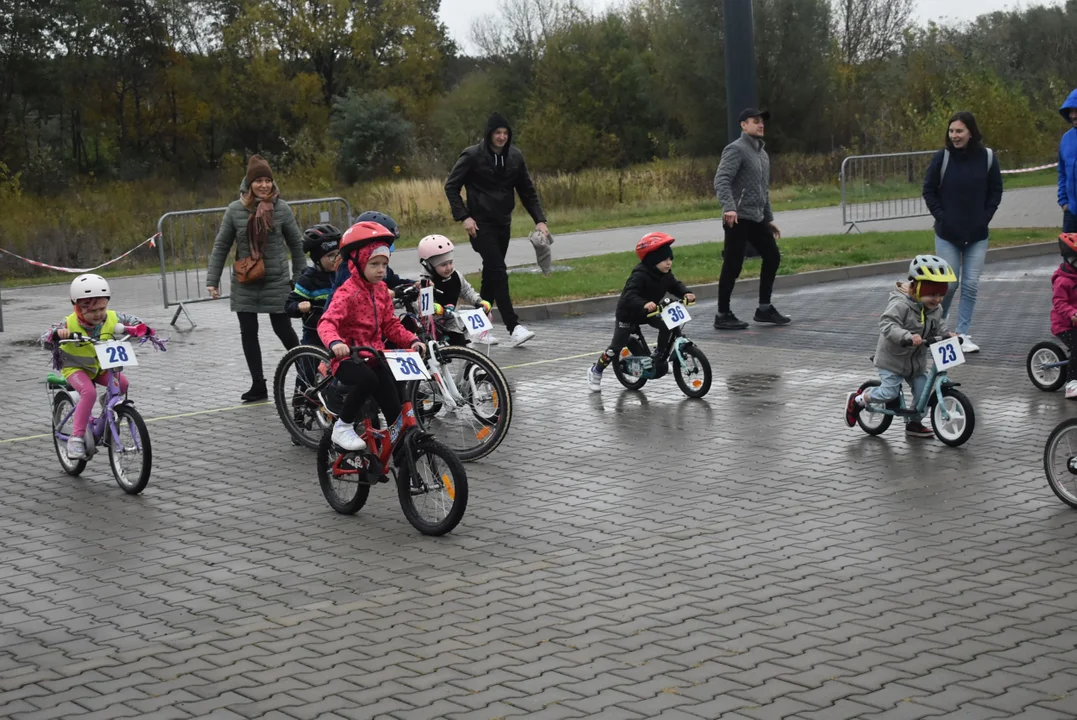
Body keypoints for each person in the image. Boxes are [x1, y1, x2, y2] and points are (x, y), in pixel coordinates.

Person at [318, 221, 425, 452]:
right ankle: (342, 426)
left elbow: (390, 325)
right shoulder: (346, 293)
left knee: (396, 409)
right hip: (348, 358)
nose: (380, 270)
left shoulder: (381, 292)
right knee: (368, 380)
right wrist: (336, 343)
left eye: (384, 265)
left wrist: (412, 340)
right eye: (374, 264)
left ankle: (401, 457)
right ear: (357, 264)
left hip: (374, 356)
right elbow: (327, 322)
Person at [444, 112, 548, 347]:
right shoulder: (472, 156)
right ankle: (514, 326)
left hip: (503, 223)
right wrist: (465, 217)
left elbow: (527, 191)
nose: (501, 137)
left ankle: (479, 330)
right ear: (489, 134)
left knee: (492, 274)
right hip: (480, 225)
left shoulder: (515, 156)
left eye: (505, 133)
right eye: (497, 133)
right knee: (499, 270)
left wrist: (540, 220)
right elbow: (451, 186)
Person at [206, 154, 304, 402]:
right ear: (249, 183)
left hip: (276, 280)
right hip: (246, 280)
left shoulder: (281, 208)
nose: (264, 185)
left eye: (267, 180)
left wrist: (300, 279)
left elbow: (297, 245)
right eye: (258, 180)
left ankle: (308, 371)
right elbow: (221, 246)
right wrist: (212, 279)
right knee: (248, 332)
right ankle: (258, 385)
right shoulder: (235, 210)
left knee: (284, 329)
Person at [40, 274, 155, 459]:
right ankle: (76, 438)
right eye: (93, 310)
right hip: (75, 368)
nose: (99, 314)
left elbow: (133, 320)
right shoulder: (68, 323)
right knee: (89, 393)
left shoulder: (112, 317)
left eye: (102, 308)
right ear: (79, 308)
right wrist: (56, 334)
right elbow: (45, 337)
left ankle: (107, 404)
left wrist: (143, 329)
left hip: (101, 366)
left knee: (122, 385)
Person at [844, 255, 957, 439]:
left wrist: (947, 334)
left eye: (940, 294)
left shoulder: (935, 309)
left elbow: (939, 325)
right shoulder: (900, 305)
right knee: (889, 392)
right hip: (892, 360)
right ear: (915, 288)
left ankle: (914, 423)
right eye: (931, 293)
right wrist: (907, 336)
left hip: (915, 363)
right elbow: (887, 325)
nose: (936, 299)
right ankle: (858, 400)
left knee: (924, 394)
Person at [922, 111, 1003, 354]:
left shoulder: (987, 158)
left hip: (977, 234)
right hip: (948, 234)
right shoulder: (942, 158)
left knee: (970, 285)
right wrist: (943, 218)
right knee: (950, 283)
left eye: (959, 131)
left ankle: (963, 333)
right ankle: (938, 328)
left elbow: (996, 192)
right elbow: (928, 190)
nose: (954, 136)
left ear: (971, 132)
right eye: (951, 131)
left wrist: (984, 217)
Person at [587, 232, 696, 392]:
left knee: (667, 324)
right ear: (653, 260)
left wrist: (686, 293)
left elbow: (675, 285)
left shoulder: (665, 274)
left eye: (670, 259)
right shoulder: (640, 275)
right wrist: (644, 303)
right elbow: (629, 295)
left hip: (647, 312)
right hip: (629, 314)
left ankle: (660, 356)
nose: (669, 262)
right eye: (665, 259)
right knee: (615, 348)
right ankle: (595, 371)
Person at [712, 108, 788, 330]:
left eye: (762, 121)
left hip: (756, 218)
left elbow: (763, 190)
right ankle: (722, 314)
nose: (761, 124)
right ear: (743, 125)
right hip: (736, 218)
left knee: (772, 256)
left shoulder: (762, 154)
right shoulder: (736, 149)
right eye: (756, 121)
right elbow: (721, 179)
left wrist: (768, 218)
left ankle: (764, 309)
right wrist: (729, 207)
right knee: (733, 264)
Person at [325, 210, 414, 309]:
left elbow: (394, 281)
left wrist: (416, 284)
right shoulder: (348, 270)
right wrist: (389, 293)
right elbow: (356, 295)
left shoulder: (379, 267)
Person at [416, 234, 492, 346]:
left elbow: (466, 291)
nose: (449, 268)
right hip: (431, 326)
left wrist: (478, 301)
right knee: (436, 352)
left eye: (450, 262)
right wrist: (432, 307)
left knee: (464, 345)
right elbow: (418, 304)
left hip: (452, 322)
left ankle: (471, 363)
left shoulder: (456, 276)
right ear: (429, 265)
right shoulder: (425, 281)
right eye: (443, 265)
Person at [284, 224, 341, 347]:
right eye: (330, 255)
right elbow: (289, 305)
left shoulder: (343, 275)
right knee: (312, 359)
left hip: (341, 330)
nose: (336, 259)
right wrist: (300, 306)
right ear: (317, 258)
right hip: (316, 335)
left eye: (338, 254)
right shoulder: (308, 280)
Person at [1051, 234, 1077, 399]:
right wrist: (1072, 313)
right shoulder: (1063, 281)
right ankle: (1072, 383)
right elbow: (1059, 303)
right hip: (1065, 325)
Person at [1058, 89, 1077, 233]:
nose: (1073, 115)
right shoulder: (1066, 139)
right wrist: (1064, 201)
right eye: (1070, 111)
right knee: (1070, 254)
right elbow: (1062, 172)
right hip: (1072, 212)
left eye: (1076, 110)